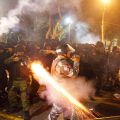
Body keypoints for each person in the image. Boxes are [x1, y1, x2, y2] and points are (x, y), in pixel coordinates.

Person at [48, 44, 80, 120]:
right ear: (64, 53)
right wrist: (76, 62)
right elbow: (74, 75)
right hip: (61, 92)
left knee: (60, 111)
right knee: (69, 110)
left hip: (59, 90)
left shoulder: (57, 60)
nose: (70, 53)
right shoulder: (62, 64)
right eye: (68, 52)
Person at [4, 46, 31, 120]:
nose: (20, 53)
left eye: (21, 51)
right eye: (19, 51)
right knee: (11, 94)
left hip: (23, 80)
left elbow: (29, 65)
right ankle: (14, 107)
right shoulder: (12, 58)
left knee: (24, 97)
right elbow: (5, 63)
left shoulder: (26, 58)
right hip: (13, 80)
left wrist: (23, 60)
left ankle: (26, 112)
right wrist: (13, 59)